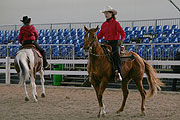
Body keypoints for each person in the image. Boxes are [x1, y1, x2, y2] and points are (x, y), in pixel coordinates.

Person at [97, 6, 126, 81]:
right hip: (106, 43)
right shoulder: (104, 24)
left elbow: (122, 33)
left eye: (107, 13)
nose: (106, 14)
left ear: (111, 14)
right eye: (105, 13)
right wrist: (95, 39)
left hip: (114, 43)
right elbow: (100, 34)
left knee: (116, 56)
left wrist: (121, 40)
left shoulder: (116, 23)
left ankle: (119, 73)